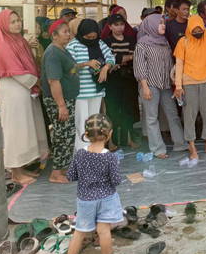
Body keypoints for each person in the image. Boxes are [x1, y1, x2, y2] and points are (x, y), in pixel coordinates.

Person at [0, 9, 48, 185]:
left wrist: (35, 82)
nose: (17, 24)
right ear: (3, 25)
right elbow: (16, 72)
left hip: (24, 89)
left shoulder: (19, 40)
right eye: (13, 21)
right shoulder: (2, 46)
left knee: (25, 127)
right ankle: (15, 172)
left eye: (18, 20)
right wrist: (36, 82)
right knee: (15, 130)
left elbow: (29, 64)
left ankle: (21, 166)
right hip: (13, 89)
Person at [62, 114, 124, 254]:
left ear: (87, 134)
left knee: (79, 233)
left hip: (85, 199)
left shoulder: (80, 154)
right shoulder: (110, 157)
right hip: (107, 198)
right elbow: (116, 181)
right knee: (104, 232)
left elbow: (70, 176)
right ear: (109, 134)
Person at [134, 14, 188, 158]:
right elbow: (139, 67)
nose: (163, 25)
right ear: (151, 25)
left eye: (163, 23)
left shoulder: (164, 42)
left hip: (165, 85)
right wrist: (144, 87)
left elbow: (170, 64)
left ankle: (180, 144)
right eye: (160, 23)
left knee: (173, 114)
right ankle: (158, 149)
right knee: (152, 118)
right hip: (150, 85)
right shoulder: (142, 44)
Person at [173, 15, 206, 160]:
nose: (198, 33)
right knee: (189, 117)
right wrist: (178, 86)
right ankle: (192, 148)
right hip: (188, 84)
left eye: (200, 29)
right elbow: (179, 65)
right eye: (195, 30)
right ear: (189, 29)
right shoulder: (183, 42)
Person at [67, 19, 115, 151]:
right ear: (81, 33)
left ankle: (93, 151)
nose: (92, 40)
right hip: (80, 93)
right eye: (88, 37)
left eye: (94, 37)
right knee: (81, 124)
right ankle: (82, 154)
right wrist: (85, 64)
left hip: (97, 90)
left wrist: (105, 68)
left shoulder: (99, 43)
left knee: (93, 125)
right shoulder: (73, 46)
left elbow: (111, 57)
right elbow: (69, 70)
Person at [41, 19, 79, 184]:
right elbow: (53, 81)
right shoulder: (53, 53)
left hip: (68, 100)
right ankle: (55, 173)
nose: (68, 34)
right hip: (59, 101)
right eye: (64, 31)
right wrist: (61, 106)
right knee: (62, 135)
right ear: (54, 35)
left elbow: (71, 69)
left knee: (68, 134)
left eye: (68, 31)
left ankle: (62, 168)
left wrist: (86, 65)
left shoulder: (63, 50)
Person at [102, 13, 139, 150]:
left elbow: (133, 57)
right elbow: (112, 59)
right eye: (116, 25)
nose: (119, 27)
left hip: (128, 78)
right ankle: (111, 141)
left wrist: (119, 59)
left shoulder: (130, 39)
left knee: (127, 109)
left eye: (121, 24)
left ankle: (128, 139)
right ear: (110, 26)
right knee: (112, 110)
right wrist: (126, 58)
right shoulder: (106, 41)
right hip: (112, 79)